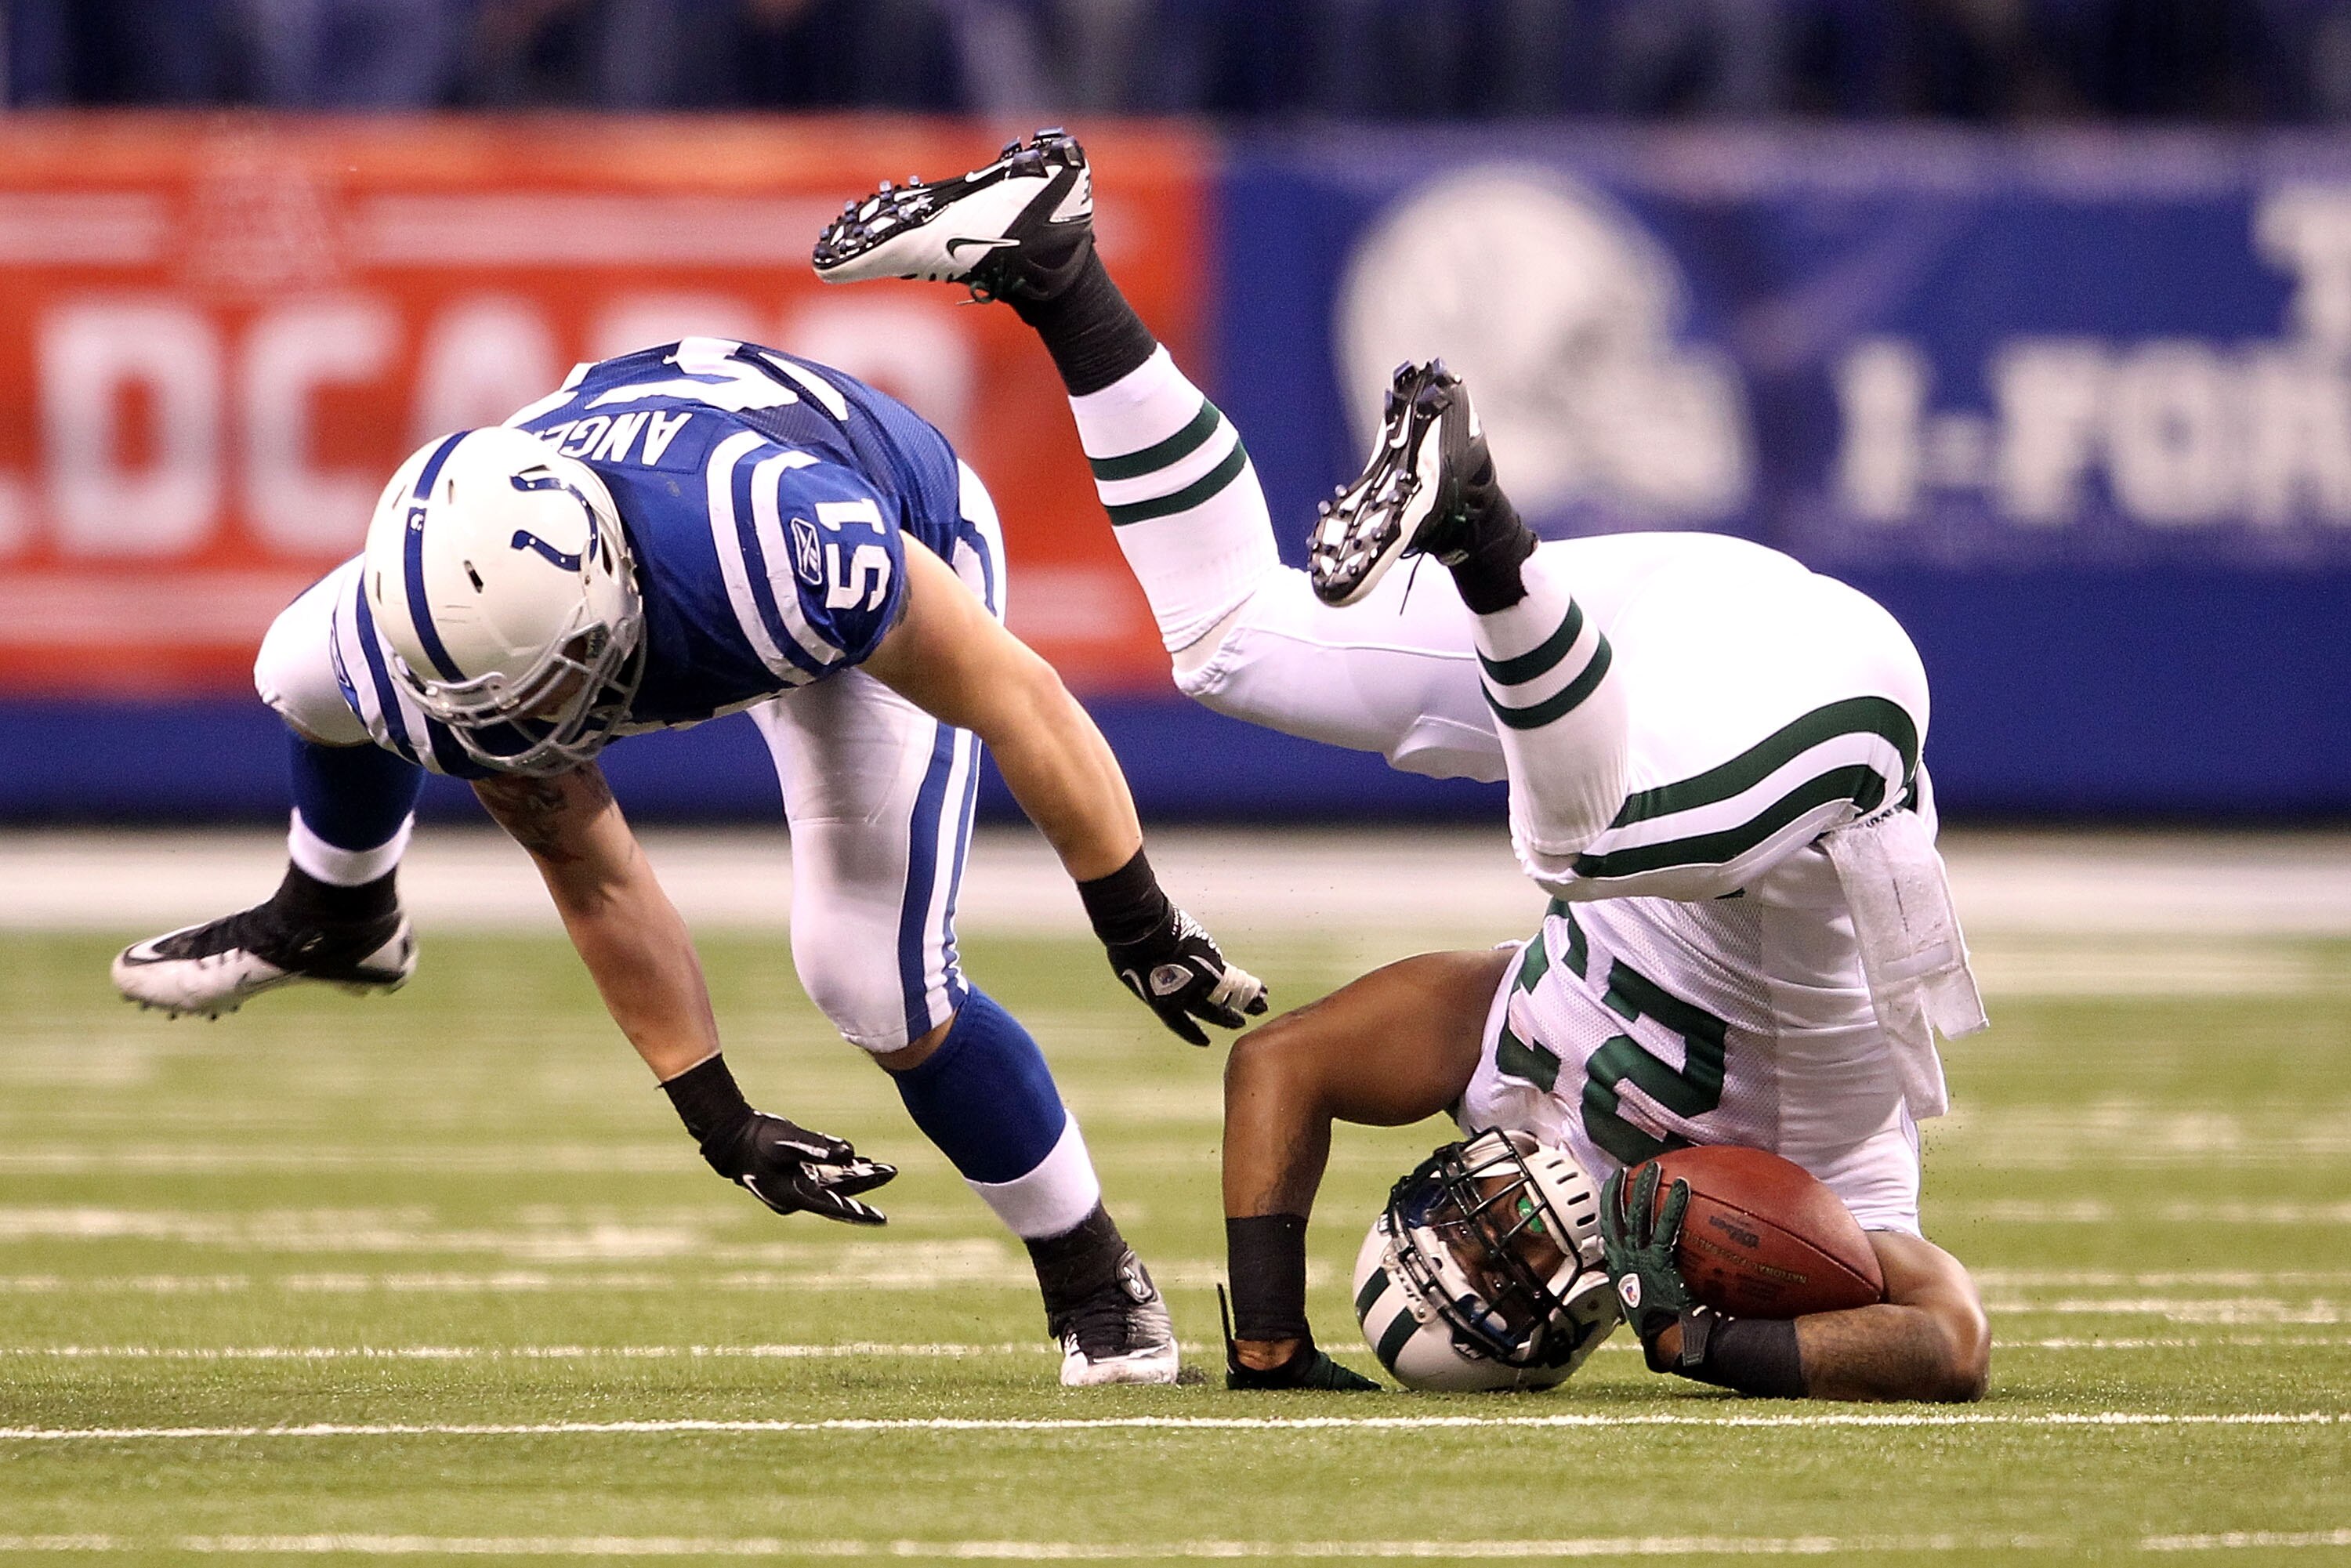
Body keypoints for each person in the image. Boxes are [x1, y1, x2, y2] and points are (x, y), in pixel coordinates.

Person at [813, 129, 1992, 1400]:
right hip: (1828, 721)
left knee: (1228, 644)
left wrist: (1266, 1345)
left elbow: (1281, 1063)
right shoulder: (1832, 1182)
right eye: (1493, 1272)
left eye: (1454, 1236)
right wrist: (1711, 1342)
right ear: (1551, 1326)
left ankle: (1055, 269)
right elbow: (1951, 1338)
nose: (1493, 1233)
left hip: (1619, 678)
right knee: (1587, 845)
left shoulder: (1499, 1069)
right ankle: (1475, 522)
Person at [109, 335, 1270, 1386]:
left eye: (557, 686)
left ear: (603, 591)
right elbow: (591, 865)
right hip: (636, 508)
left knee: (872, 978)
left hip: (878, 509)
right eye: (509, 709)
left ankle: (1093, 1276)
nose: (544, 732)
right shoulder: (428, 651)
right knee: (296, 668)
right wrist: (720, 1116)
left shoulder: (782, 549)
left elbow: (1020, 696)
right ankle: (339, 905)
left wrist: (1136, 915)